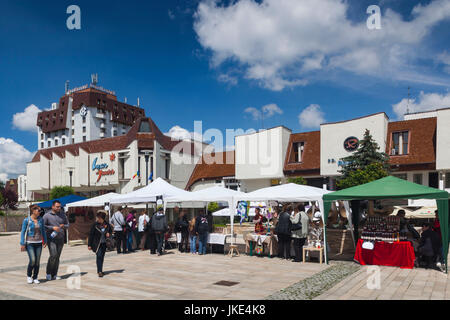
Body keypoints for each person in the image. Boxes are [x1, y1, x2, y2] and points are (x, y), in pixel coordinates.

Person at [20, 205, 48, 284]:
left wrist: (45, 241)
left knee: (37, 261)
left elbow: (43, 231)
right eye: (38, 210)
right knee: (32, 260)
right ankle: (29, 276)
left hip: (39, 243)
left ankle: (35, 277)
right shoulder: (27, 220)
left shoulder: (41, 220)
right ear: (33, 211)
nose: (40, 212)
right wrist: (22, 243)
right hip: (30, 243)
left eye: (40, 211)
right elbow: (23, 232)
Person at [43, 200, 69, 281]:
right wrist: (52, 227)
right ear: (53, 206)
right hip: (51, 239)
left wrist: (63, 226)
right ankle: (48, 273)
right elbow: (43, 226)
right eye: (57, 206)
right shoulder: (47, 215)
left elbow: (68, 225)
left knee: (57, 257)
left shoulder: (63, 215)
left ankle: (54, 274)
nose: (59, 208)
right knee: (53, 255)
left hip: (60, 239)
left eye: (60, 206)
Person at [88, 211, 112, 278]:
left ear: (103, 218)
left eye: (99, 218)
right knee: (99, 256)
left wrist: (109, 234)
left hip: (104, 243)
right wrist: (89, 245)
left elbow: (110, 230)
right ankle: (99, 271)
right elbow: (91, 235)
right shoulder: (95, 225)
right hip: (96, 243)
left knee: (102, 257)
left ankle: (100, 269)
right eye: (97, 218)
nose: (97, 219)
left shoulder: (107, 224)